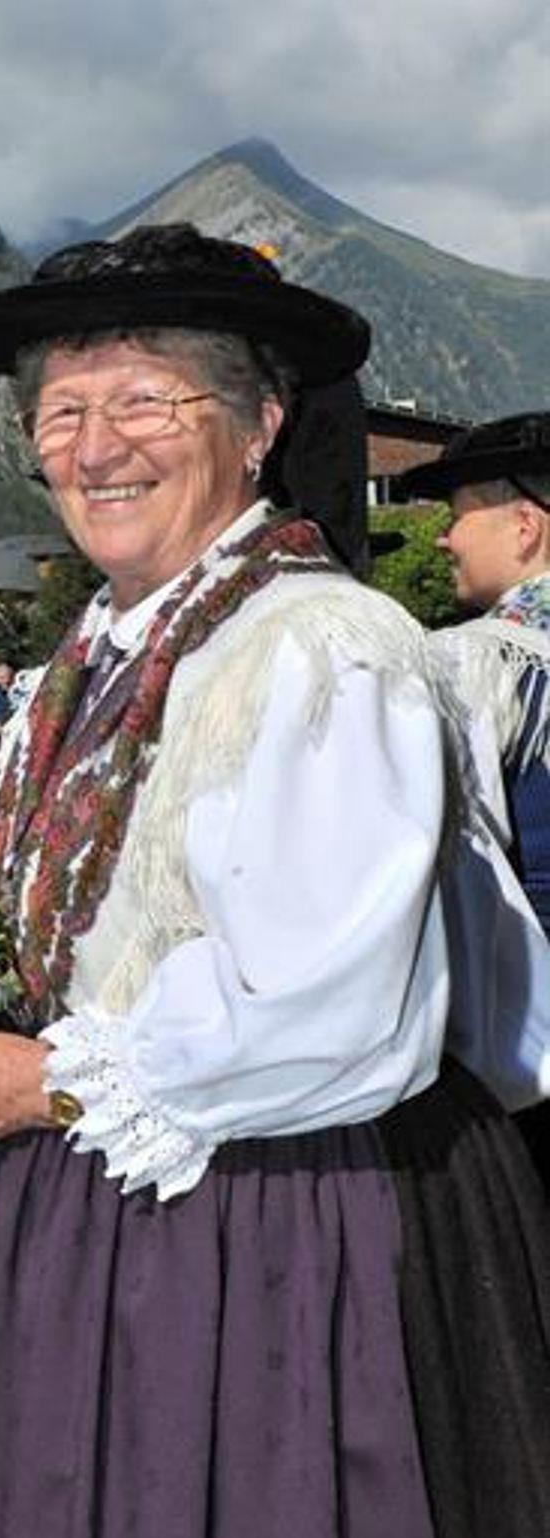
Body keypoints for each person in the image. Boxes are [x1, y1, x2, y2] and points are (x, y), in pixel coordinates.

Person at [0, 225, 550, 1538]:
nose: (94, 447)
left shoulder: (322, 647)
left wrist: (35, 1081)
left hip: (272, 1237)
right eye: (62, 412)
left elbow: (340, 1014)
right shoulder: (91, 659)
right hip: (103, 1209)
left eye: (144, 401)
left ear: (258, 423)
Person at [404, 413, 550, 1181]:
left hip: (527, 1061)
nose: (442, 539)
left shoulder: (469, 668)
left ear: (525, 525)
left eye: (457, 514)